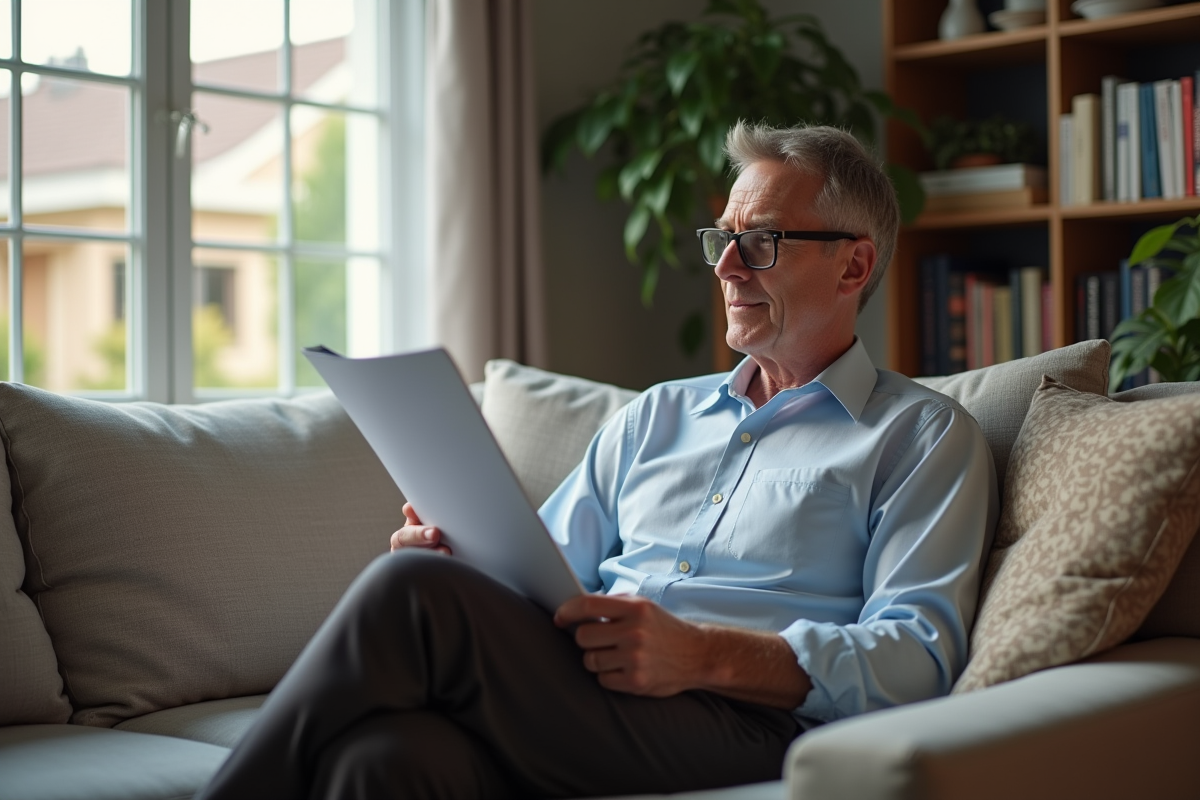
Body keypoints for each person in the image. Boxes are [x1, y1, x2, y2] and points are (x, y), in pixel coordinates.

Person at [198, 123, 998, 800]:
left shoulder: (920, 436)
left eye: (759, 242)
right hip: (590, 693)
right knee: (386, 759)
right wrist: (461, 565)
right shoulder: (657, 415)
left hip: (751, 723)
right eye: (722, 239)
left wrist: (703, 653)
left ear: (852, 266)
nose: (725, 268)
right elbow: (546, 572)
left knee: (408, 592)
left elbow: (916, 657)